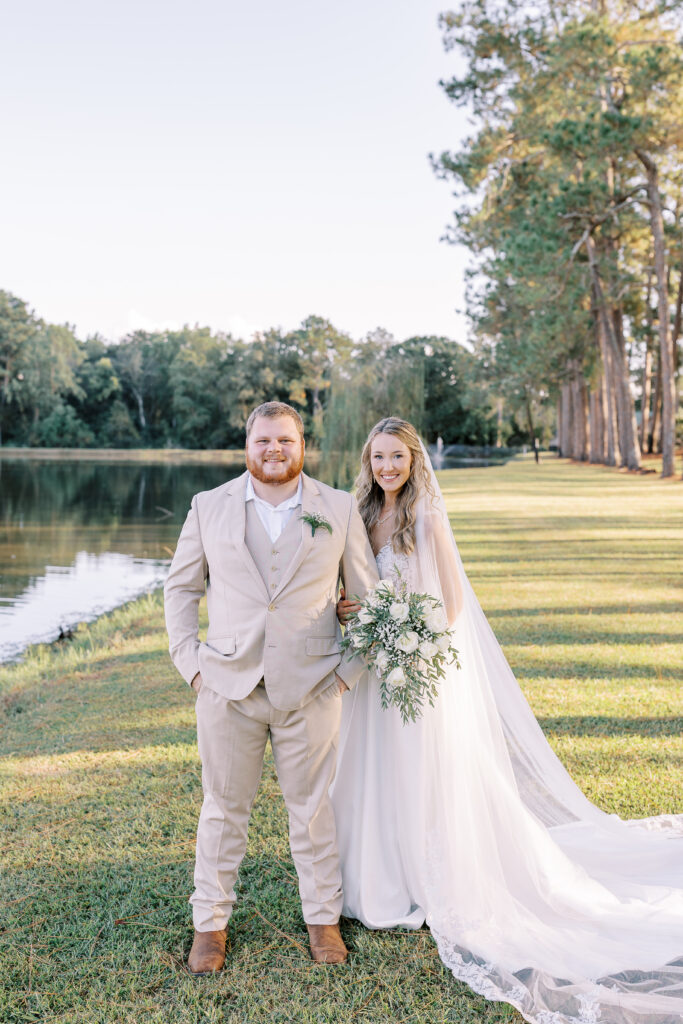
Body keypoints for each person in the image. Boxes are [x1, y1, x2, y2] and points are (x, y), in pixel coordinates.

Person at [332, 416, 683, 1024]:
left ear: (414, 461)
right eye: (378, 457)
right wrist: (353, 612)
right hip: (374, 669)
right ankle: (370, 875)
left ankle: (421, 880)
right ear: (368, 462)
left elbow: (452, 604)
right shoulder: (359, 515)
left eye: (397, 457)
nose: (387, 467)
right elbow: (355, 586)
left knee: (418, 772)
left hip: (415, 665)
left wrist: (405, 632)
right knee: (371, 767)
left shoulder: (426, 517)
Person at [164, 401, 377, 974]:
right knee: (222, 809)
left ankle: (323, 921)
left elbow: (367, 597)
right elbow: (180, 588)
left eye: (285, 440)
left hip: (313, 685)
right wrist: (192, 665)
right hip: (227, 685)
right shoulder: (208, 506)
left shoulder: (338, 507)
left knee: (312, 811)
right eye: (263, 441)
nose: (274, 450)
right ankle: (210, 926)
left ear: (302, 445)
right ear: (247, 446)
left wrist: (346, 672)